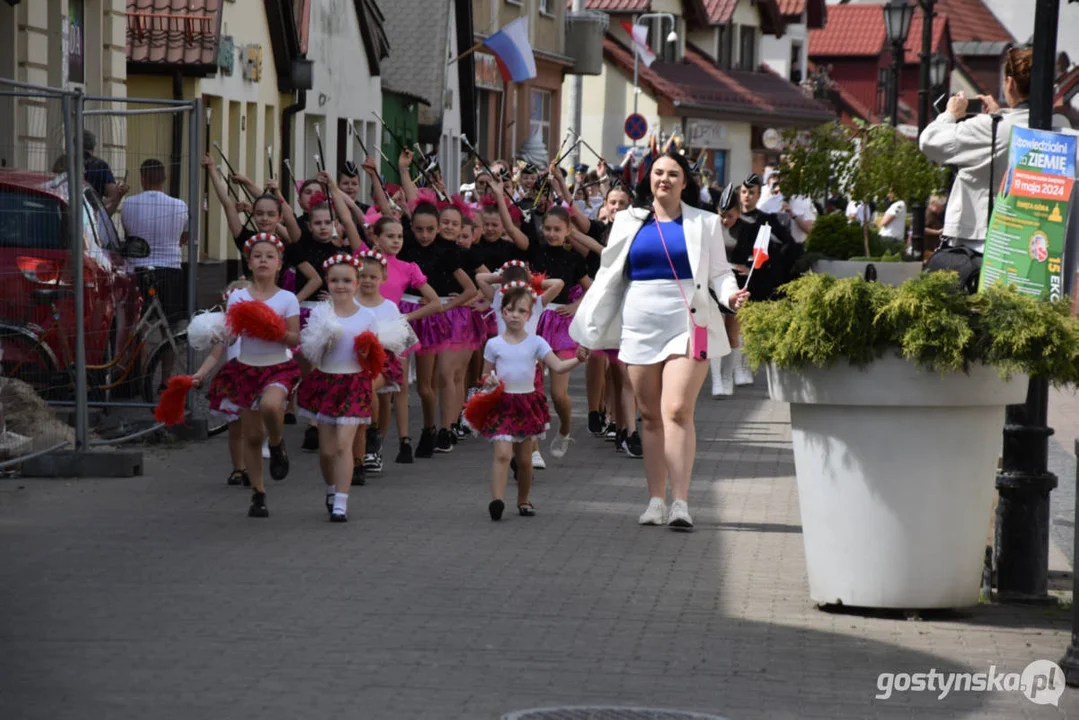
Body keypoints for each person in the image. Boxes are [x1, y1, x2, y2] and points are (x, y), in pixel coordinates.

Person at [569, 152, 749, 530]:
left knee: (677, 408)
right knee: (649, 416)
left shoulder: (705, 221)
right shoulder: (626, 220)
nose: (664, 179)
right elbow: (610, 273)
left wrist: (730, 295)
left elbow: (718, 272)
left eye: (673, 174)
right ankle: (655, 500)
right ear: (648, 179)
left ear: (686, 182)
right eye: (658, 173)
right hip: (639, 321)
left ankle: (680, 502)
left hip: (689, 317)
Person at [920, 47, 1070, 253]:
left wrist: (951, 114)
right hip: (1039, 242)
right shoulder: (1062, 128)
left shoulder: (989, 128)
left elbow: (930, 142)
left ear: (1010, 83)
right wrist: (999, 116)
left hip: (982, 243)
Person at [192, 233, 301, 518]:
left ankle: (277, 443)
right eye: (257, 256)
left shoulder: (287, 298)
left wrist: (274, 331)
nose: (263, 260)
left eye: (269, 256)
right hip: (246, 368)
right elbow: (228, 337)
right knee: (251, 436)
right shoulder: (238, 297)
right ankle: (258, 492)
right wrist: (203, 368)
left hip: (278, 366)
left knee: (270, 406)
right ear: (249, 263)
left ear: (279, 264)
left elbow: (293, 339)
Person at [467, 282, 582, 521]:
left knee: (524, 461)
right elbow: (485, 374)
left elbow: (558, 366)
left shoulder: (536, 342)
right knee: (502, 453)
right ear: (502, 312)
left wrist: (578, 360)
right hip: (502, 403)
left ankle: (523, 499)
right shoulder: (493, 344)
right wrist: (488, 381)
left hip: (526, 403)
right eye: (510, 310)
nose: (515, 315)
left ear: (530, 315)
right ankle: (497, 500)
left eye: (521, 311)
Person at [296, 254, 382, 522]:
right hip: (326, 382)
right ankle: (331, 489)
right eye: (335, 280)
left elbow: (377, 359)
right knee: (327, 451)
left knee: (344, 446)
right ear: (327, 283)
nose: (341, 286)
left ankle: (341, 503)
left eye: (347, 280)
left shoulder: (367, 317)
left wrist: (368, 354)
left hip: (354, 383)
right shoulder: (320, 314)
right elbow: (309, 354)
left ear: (356, 283)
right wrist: (323, 343)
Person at [121, 159, 190, 335]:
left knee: (138, 326)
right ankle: (168, 363)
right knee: (170, 327)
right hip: (170, 269)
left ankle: (140, 361)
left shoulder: (129, 204)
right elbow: (184, 237)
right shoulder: (180, 206)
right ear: (164, 179)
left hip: (138, 270)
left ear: (143, 178)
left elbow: (130, 237)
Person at [82, 130, 125, 214]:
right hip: (93, 217)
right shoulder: (100, 165)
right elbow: (113, 194)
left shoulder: (64, 162)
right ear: (94, 146)